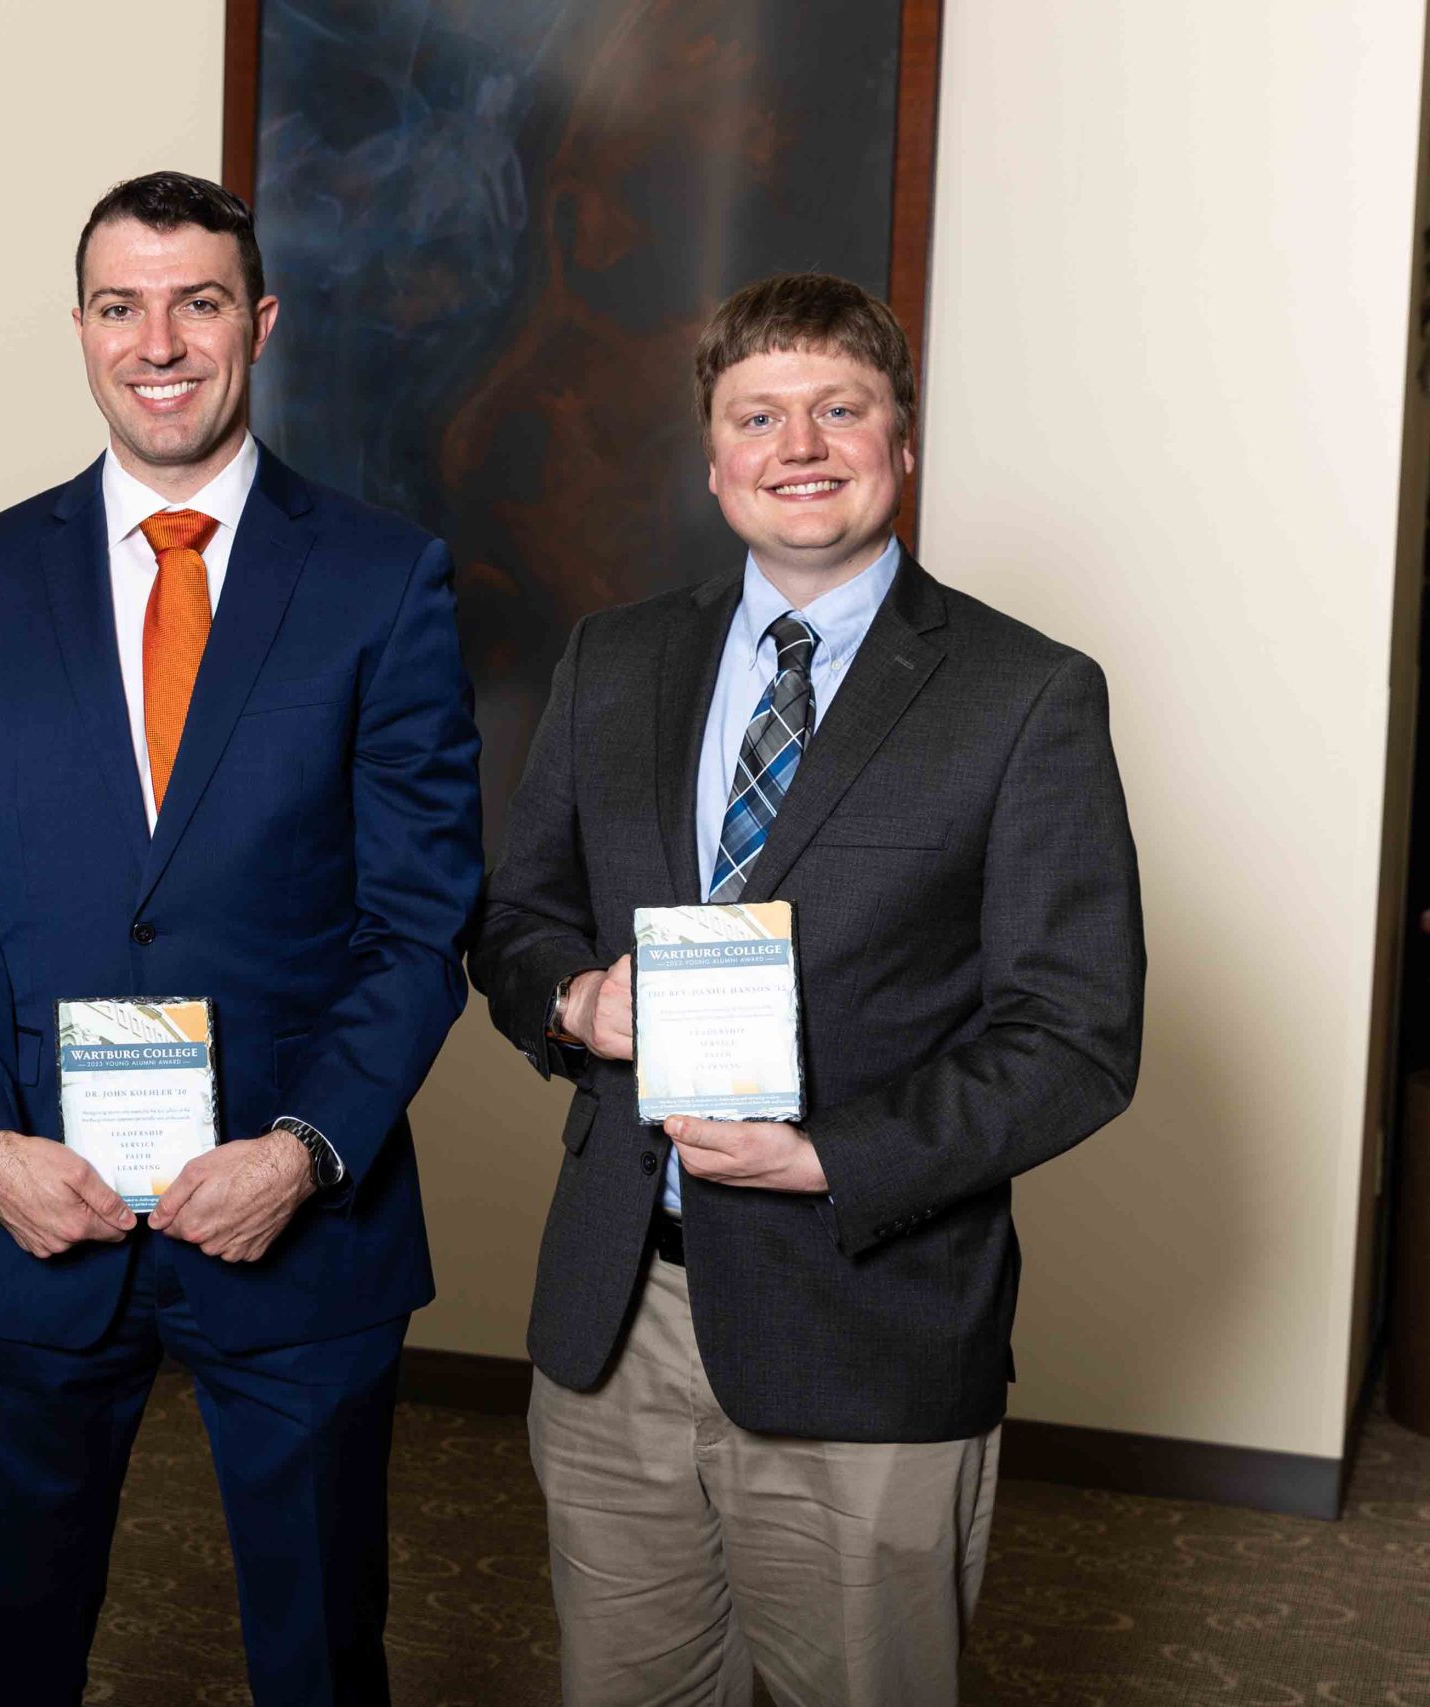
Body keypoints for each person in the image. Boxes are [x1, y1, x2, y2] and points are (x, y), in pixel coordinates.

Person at [469, 272, 1146, 1706]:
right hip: (615, 1326)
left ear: (902, 443)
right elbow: (517, 917)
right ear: (713, 463)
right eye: (758, 415)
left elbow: (1074, 1034)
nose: (801, 444)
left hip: (870, 1331)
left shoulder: (1024, 695)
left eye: (842, 408)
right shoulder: (616, 659)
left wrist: (832, 1155)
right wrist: (578, 1006)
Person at [0, 171, 483, 1707]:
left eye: (199, 301)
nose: (161, 340)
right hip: (29, 1215)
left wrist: (303, 1149)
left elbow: (420, 919)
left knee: (319, 1655)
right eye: (120, 304)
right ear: (81, 330)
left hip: (293, 1224)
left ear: (258, 323)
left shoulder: (381, 575)